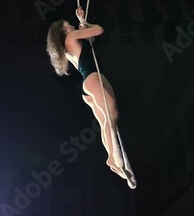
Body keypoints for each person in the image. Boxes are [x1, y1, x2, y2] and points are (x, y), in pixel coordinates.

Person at [46, 6, 132, 181]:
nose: (71, 27)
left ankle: (111, 157)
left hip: (93, 78)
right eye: (69, 25)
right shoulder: (70, 37)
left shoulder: (68, 45)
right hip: (92, 78)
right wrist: (84, 23)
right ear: (63, 31)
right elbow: (99, 30)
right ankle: (112, 158)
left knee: (107, 120)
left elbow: (90, 38)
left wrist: (82, 23)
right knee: (111, 115)